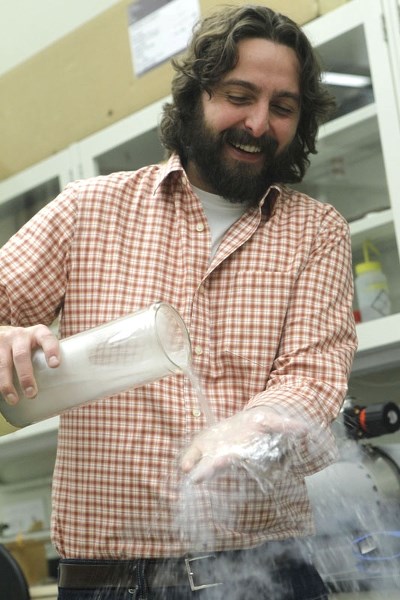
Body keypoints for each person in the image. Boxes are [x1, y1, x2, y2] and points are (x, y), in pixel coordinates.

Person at [0, 4, 357, 599]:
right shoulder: (89, 209)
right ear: (195, 96)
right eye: (238, 95)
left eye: (283, 107)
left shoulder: (315, 232)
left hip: (269, 573)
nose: (259, 123)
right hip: (111, 582)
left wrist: (247, 429)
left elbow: (313, 380)